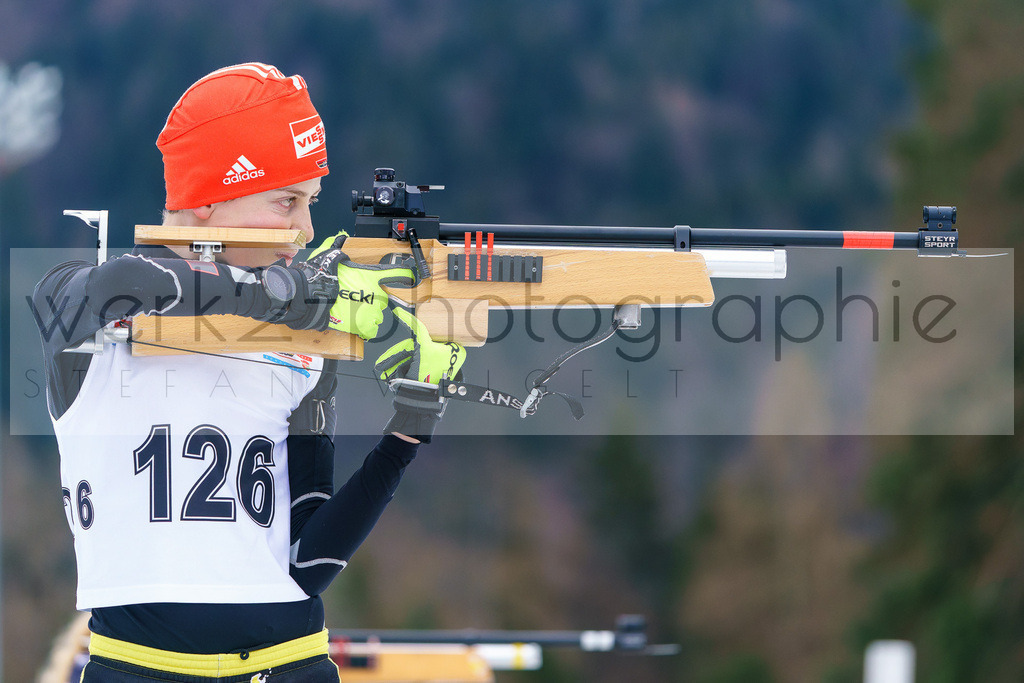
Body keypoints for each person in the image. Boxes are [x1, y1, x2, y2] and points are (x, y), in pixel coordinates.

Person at [33, 62, 465, 682]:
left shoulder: (304, 342)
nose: (306, 230)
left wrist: (410, 428)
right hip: (142, 666)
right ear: (207, 198)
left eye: (311, 204)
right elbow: (128, 285)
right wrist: (303, 293)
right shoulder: (85, 303)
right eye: (286, 201)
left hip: (290, 663)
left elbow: (306, 560)